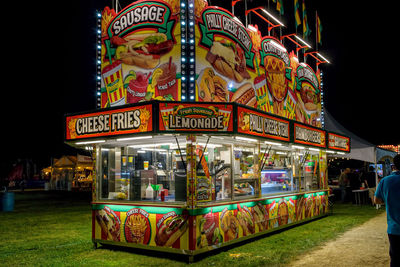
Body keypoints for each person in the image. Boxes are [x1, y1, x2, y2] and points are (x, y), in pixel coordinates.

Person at [374, 154, 400, 267]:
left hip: (394, 228)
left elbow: (377, 200)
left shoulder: (385, 181)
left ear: (393, 166)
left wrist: (389, 200)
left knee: (395, 258)